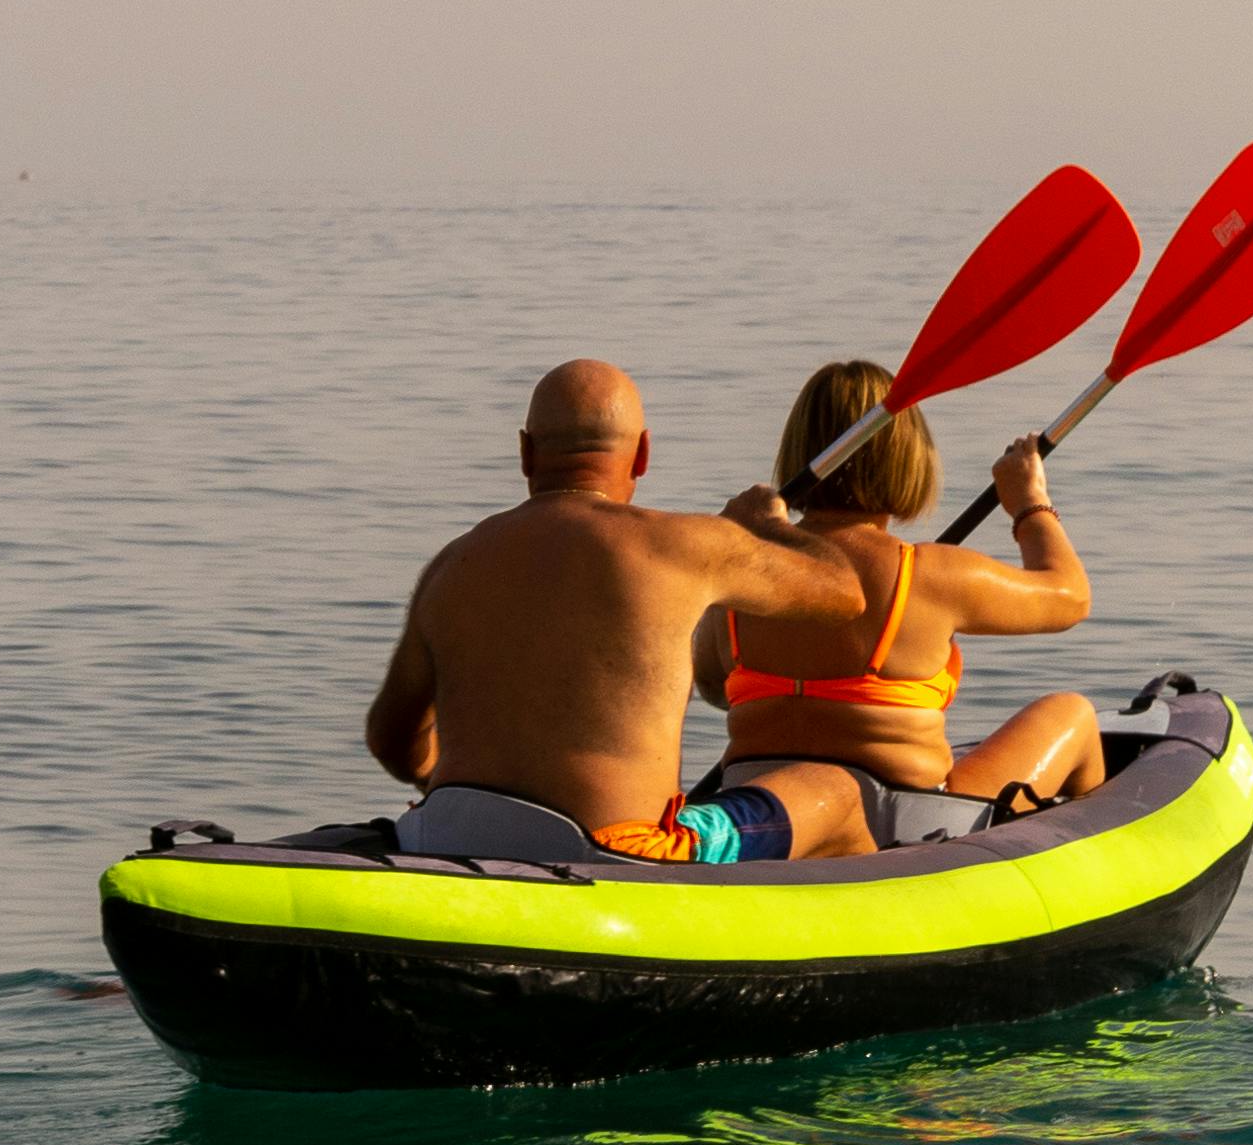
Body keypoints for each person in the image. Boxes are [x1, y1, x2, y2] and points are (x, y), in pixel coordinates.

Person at [363, 357, 874, 864]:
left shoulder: (452, 565)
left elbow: (393, 738)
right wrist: (766, 526)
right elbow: (842, 592)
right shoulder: (684, 544)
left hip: (446, 833)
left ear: (525, 452)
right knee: (834, 791)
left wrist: (455, 785)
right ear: (643, 454)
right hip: (613, 851)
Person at [690, 356, 1104, 856]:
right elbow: (1069, 596)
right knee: (1073, 715)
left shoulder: (739, 575)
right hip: (910, 824)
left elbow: (713, 685)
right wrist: (1028, 502)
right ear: (907, 457)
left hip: (767, 807)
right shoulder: (930, 574)